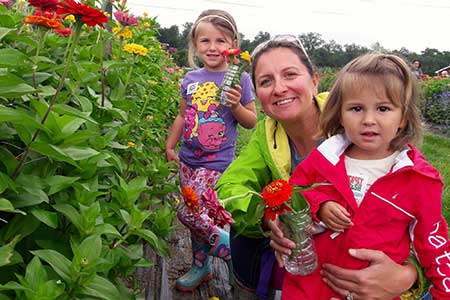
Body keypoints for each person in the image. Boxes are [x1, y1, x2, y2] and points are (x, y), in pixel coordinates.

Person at [216, 36, 424, 300]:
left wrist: (410, 274)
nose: (279, 88)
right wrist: (270, 219)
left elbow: (418, 211)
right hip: (310, 264)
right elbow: (229, 187)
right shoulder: (267, 135)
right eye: (266, 81)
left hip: (369, 256)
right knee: (243, 237)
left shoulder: (357, 122)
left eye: (290, 74)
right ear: (258, 95)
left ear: (315, 81)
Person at [283, 52, 449, 299]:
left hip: (375, 291)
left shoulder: (418, 179)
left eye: (383, 108)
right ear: (340, 114)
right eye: (356, 108)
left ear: (402, 118)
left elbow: (433, 241)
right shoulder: (325, 158)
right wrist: (320, 204)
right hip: (311, 287)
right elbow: (292, 195)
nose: (368, 120)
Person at [164, 9, 257, 291]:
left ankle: (231, 251)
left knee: (190, 213)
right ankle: (200, 265)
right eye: (205, 41)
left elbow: (251, 121)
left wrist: (236, 106)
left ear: (233, 45)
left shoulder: (238, 78)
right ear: (195, 44)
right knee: (198, 218)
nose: (213, 47)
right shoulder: (190, 78)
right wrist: (170, 144)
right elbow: (183, 116)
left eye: (221, 40)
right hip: (188, 159)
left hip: (216, 162)